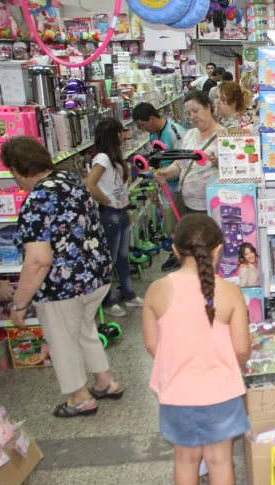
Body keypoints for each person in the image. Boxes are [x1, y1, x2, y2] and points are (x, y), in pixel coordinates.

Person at [143, 214, 250, 485]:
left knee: (185, 460)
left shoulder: (158, 290)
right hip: (221, 392)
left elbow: (152, 345)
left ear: (175, 250)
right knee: (221, 461)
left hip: (178, 393)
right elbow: (241, 350)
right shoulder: (230, 293)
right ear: (217, 250)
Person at [1, 137, 120, 417]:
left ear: (17, 170)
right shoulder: (71, 180)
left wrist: (20, 303)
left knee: (62, 341)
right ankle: (105, 381)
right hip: (96, 276)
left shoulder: (37, 200)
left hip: (62, 286)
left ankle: (80, 398)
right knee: (83, 330)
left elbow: (38, 260)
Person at [85, 118, 143, 317]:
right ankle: (108, 301)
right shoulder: (102, 158)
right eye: (121, 131)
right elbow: (90, 184)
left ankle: (129, 295)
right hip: (110, 214)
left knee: (123, 257)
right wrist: (107, 201)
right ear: (114, 134)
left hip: (121, 212)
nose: (124, 135)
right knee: (109, 260)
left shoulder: (113, 157)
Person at [132, 102, 188, 272]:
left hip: (178, 185)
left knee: (179, 222)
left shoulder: (175, 132)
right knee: (169, 224)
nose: (142, 129)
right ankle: (176, 253)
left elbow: (184, 160)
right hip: (164, 185)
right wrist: (156, 188)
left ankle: (182, 255)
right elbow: (157, 162)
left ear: (151, 118)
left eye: (142, 125)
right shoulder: (153, 135)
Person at [153, 91, 222, 215]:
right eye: (188, 114)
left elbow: (233, 170)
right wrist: (167, 172)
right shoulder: (189, 135)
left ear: (208, 106)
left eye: (195, 111)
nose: (192, 117)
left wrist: (219, 164)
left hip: (213, 206)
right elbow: (179, 164)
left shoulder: (224, 136)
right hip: (187, 204)